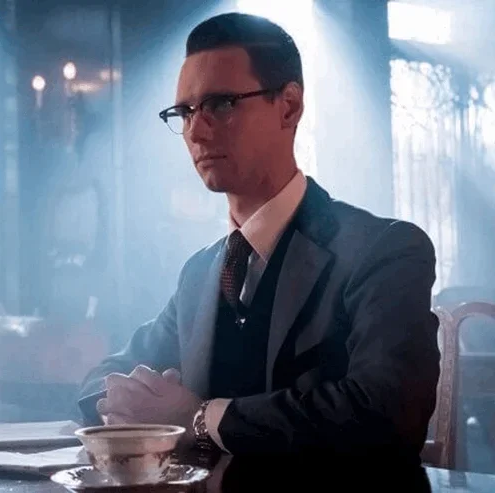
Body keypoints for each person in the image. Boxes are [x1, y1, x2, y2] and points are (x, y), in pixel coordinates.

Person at [78, 12, 440, 463]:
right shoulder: (200, 273)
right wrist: (125, 404)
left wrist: (198, 419)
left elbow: (389, 415)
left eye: (221, 104)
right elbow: (106, 376)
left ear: (288, 106)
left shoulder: (384, 249)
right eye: (185, 112)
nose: (196, 131)